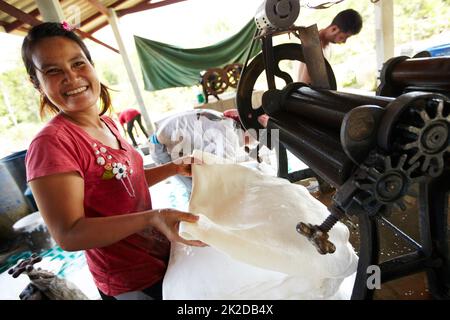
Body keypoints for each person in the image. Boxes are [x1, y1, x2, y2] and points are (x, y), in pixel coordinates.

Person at [22, 22, 205, 300]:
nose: (71, 77)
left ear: (92, 66)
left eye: (78, 63)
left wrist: (173, 167)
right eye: (53, 71)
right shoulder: (51, 144)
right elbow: (68, 233)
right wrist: (153, 218)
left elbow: (124, 179)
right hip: (129, 281)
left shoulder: (107, 123)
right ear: (37, 83)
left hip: (159, 258)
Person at [149, 108, 254, 195]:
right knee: (198, 189)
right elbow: (225, 170)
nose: (246, 144)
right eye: (250, 141)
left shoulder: (228, 122)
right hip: (161, 148)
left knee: (200, 182)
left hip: (169, 138)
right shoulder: (228, 134)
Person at [297, 9, 363, 84]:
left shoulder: (326, 46)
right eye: (344, 37)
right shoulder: (315, 46)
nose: (344, 42)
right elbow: (304, 83)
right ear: (334, 29)